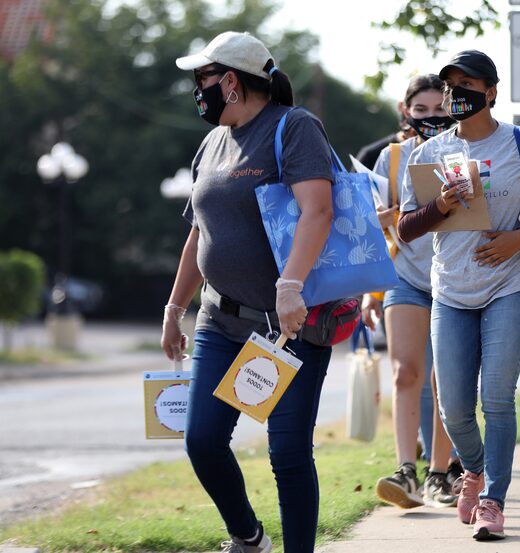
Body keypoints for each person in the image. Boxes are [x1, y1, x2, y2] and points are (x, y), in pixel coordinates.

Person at [162, 31, 335, 553]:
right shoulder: (212, 142)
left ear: (231, 82)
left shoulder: (293, 127)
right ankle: (247, 536)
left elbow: (318, 210)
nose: (198, 91)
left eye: (203, 80)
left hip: (289, 324)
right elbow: (199, 233)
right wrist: (175, 308)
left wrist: (290, 286)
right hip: (220, 319)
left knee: (286, 452)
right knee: (203, 441)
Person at [398, 50, 520, 540]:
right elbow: (407, 229)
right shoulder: (428, 152)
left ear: (491, 91)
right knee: (453, 405)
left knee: (495, 397)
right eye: (450, 85)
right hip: (451, 289)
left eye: (467, 84)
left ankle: (493, 499)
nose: (456, 94)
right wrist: (439, 204)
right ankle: (471, 468)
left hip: (511, 285)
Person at [362, 74, 459, 509]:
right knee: (405, 372)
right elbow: (371, 224)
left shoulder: (464, 151)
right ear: (407, 112)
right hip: (405, 276)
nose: (431, 117)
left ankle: (440, 472)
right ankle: (406, 470)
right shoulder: (392, 157)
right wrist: (370, 290)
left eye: (439, 109)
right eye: (421, 110)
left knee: (444, 381)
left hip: (453, 278)